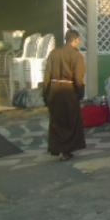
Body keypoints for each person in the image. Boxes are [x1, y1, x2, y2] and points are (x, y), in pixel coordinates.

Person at [43, 29, 86, 161]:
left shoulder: (54, 53)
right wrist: (80, 94)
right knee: (70, 122)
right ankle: (66, 151)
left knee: (57, 121)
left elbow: (47, 76)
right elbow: (78, 79)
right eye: (79, 40)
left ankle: (58, 149)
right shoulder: (77, 56)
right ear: (75, 40)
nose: (79, 42)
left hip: (54, 91)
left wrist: (45, 95)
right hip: (69, 92)